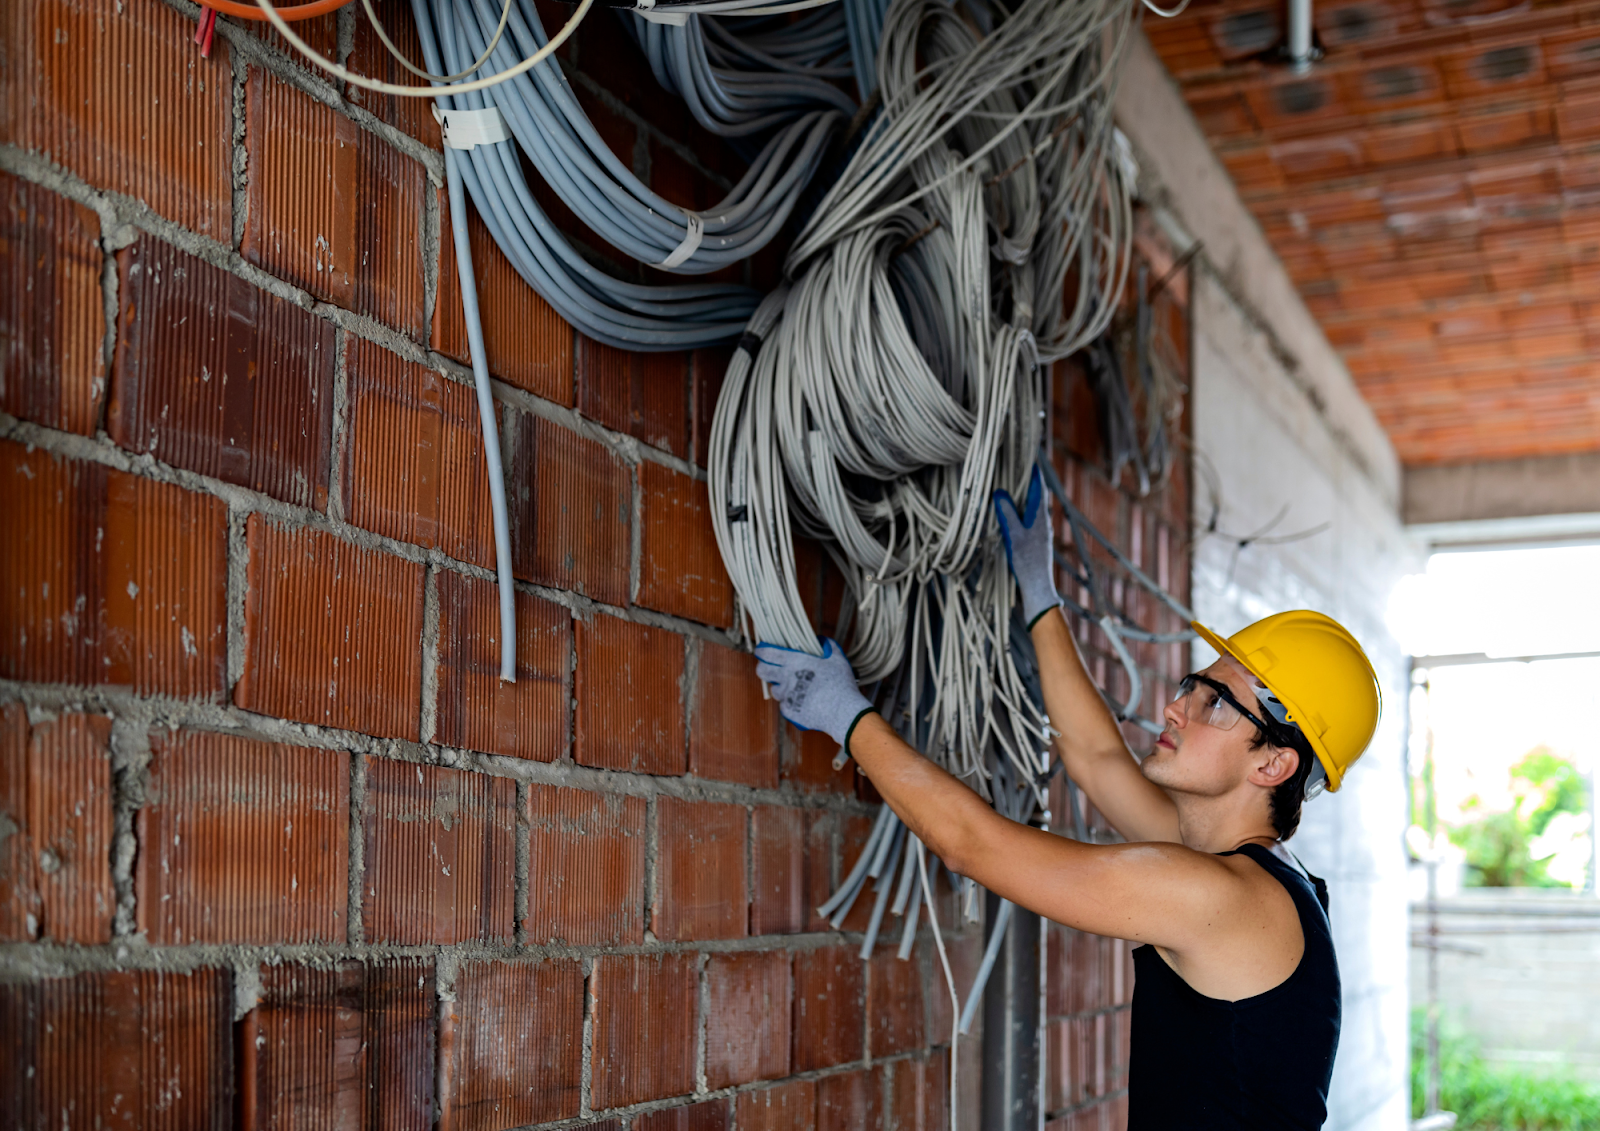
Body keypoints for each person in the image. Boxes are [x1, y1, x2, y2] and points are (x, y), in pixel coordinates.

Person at [754, 465, 1382, 1130]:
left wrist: (845, 714)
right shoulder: (1251, 877)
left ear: (1274, 762)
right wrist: (1038, 590)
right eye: (1192, 684)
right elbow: (1096, 755)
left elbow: (974, 846)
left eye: (1215, 703)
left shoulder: (1219, 895)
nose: (1176, 707)